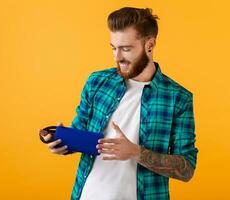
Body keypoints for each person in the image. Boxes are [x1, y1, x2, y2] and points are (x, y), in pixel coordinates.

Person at [40, 7, 198, 200]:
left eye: (126, 49)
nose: (117, 57)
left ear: (150, 45)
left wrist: (135, 152)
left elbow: (187, 168)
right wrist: (63, 143)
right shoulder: (97, 82)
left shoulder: (178, 98)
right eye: (113, 48)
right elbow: (81, 131)